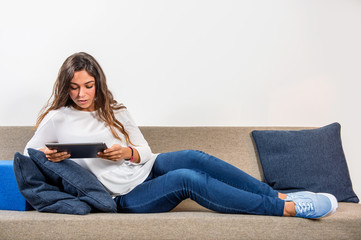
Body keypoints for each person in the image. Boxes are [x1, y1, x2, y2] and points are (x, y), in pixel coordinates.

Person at [24, 52, 338, 218]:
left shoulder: (116, 110)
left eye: (88, 86)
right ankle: (287, 209)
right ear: (65, 87)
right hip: (122, 197)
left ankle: (280, 195)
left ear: (99, 84)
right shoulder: (56, 119)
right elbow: (29, 158)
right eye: (74, 87)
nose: (81, 93)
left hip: (142, 169)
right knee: (186, 178)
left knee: (194, 157)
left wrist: (127, 153)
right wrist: (52, 159)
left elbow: (144, 151)